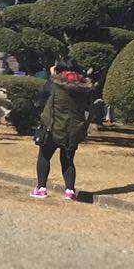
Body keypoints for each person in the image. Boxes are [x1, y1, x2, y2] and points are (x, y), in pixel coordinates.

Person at [30, 62, 96, 200]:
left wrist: (51, 75)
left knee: (44, 156)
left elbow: (41, 97)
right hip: (72, 130)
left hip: (52, 128)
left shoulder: (55, 84)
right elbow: (89, 107)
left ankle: (41, 188)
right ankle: (70, 191)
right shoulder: (84, 88)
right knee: (68, 160)